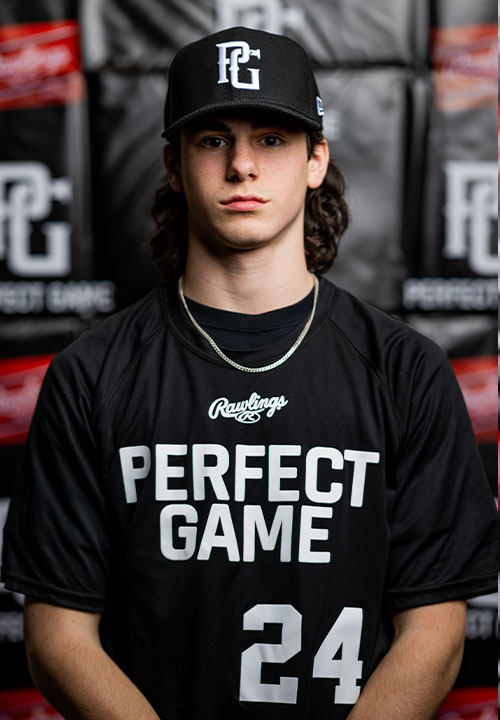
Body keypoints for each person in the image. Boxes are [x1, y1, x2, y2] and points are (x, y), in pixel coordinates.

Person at [2, 25, 496, 720]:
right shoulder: (92, 374)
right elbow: (58, 636)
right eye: (213, 140)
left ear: (315, 159)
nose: (241, 166)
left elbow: (435, 631)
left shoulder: (406, 370)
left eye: (271, 138)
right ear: (174, 165)